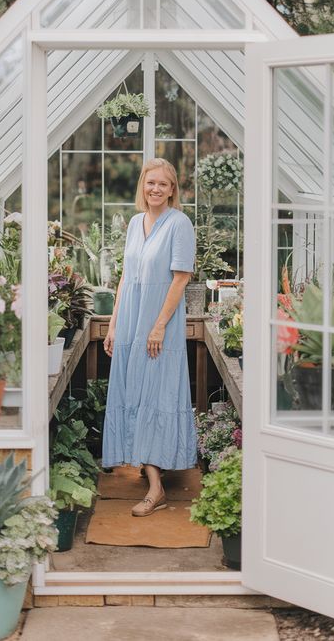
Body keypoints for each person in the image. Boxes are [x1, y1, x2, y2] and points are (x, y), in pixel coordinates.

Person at [102, 158, 197, 517]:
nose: (155, 189)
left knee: (155, 393)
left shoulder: (179, 224)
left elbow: (181, 278)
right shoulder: (134, 223)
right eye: (149, 183)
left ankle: (156, 489)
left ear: (173, 188)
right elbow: (125, 278)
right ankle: (147, 467)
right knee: (134, 392)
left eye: (162, 184)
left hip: (160, 324)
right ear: (142, 186)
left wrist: (159, 326)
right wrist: (113, 325)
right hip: (129, 321)